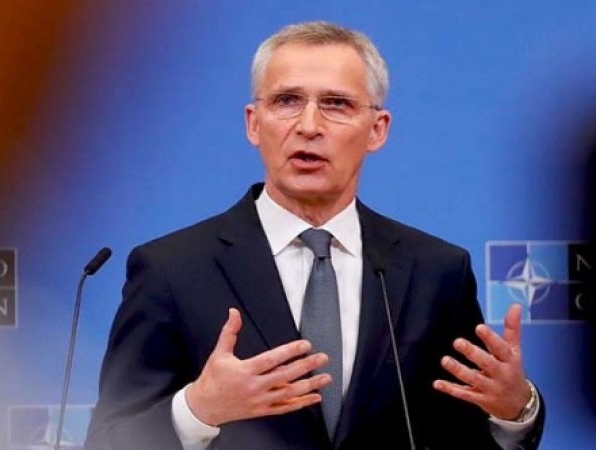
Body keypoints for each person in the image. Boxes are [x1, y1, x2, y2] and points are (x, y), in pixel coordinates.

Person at [85, 21, 545, 450]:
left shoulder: (435, 272)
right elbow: (108, 439)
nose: (308, 126)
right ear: (253, 123)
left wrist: (514, 411)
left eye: (336, 104)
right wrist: (197, 411)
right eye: (286, 101)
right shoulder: (172, 269)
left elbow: (463, 437)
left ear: (377, 130)